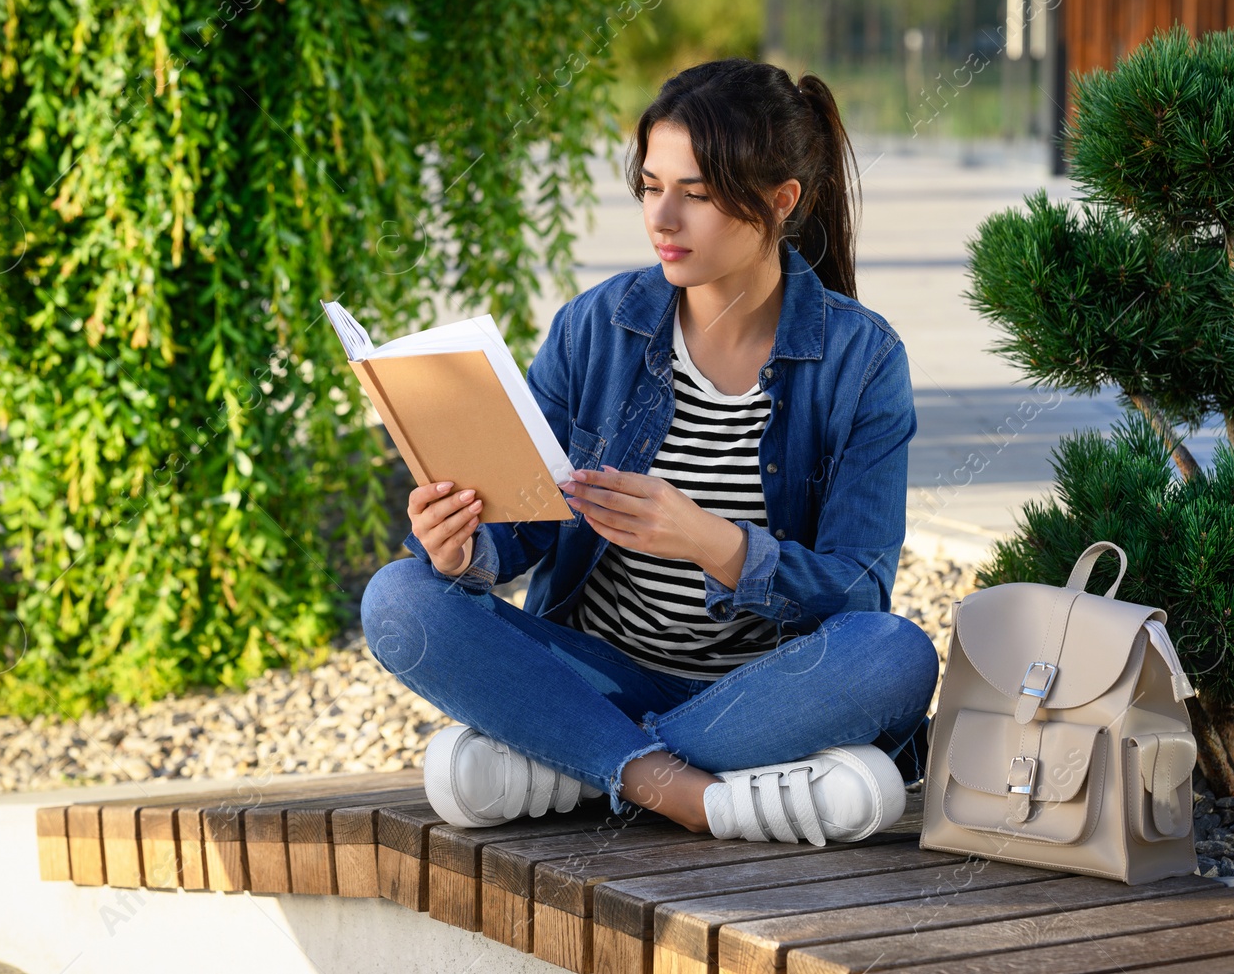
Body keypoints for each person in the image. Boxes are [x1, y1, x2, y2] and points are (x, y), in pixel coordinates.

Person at [358, 57, 940, 846]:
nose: (662, 219)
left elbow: (859, 595)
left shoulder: (862, 360)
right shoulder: (595, 328)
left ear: (782, 201)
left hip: (761, 692)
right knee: (399, 596)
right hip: (600, 667)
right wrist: (463, 550)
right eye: (650, 186)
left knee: (896, 655)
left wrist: (712, 541)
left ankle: (578, 757)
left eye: (695, 195)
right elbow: (523, 528)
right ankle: (693, 794)